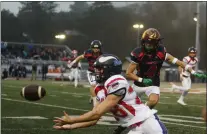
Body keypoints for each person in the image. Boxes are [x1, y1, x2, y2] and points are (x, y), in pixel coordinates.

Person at [53, 54, 168, 134]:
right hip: (135, 127)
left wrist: (73, 119)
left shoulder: (117, 81)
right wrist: (71, 126)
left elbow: (96, 114)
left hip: (148, 123)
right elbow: (94, 119)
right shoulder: (99, 88)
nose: (97, 72)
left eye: (100, 69)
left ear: (110, 70)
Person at [126, 28, 206, 109]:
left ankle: (143, 111)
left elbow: (180, 63)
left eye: (151, 43)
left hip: (153, 83)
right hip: (138, 84)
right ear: (143, 42)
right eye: (147, 43)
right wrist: (141, 80)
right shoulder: (138, 53)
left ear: (156, 43)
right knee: (127, 106)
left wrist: (193, 72)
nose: (148, 45)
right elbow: (128, 73)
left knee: (153, 101)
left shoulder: (161, 53)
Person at [68, 40, 103, 106]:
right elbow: (80, 57)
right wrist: (73, 62)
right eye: (94, 48)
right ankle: (95, 103)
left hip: (99, 72)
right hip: (91, 72)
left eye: (97, 48)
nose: (95, 49)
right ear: (91, 47)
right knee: (93, 85)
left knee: (100, 87)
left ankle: (92, 97)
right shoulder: (89, 53)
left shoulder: (102, 55)